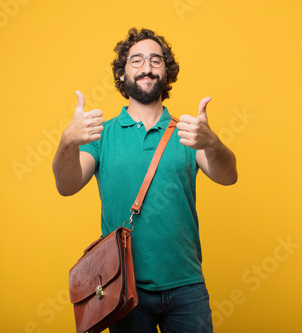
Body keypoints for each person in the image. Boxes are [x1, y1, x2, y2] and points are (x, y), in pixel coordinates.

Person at [52, 27, 237, 333]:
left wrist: (212, 142)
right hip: (123, 287)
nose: (147, 68)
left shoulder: (189, 133)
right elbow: (66, 186)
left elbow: (228, 176)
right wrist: (67, 142)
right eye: (136, 61)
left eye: (156, 60)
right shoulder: (102, 135)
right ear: (122, 75)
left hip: (187, 286)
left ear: (167, 72)